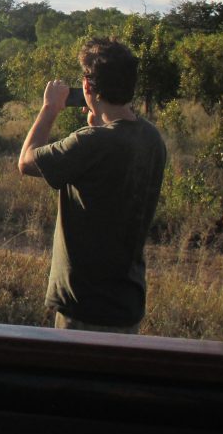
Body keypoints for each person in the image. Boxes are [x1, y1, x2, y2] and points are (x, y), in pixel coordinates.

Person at [17, 37, 166, 334]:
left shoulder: (91, 142)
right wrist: (96, 123)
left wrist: (49, 108)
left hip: (85, 305)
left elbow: (26, 161)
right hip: (126, 300)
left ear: (87, 86)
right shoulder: (150, 137)